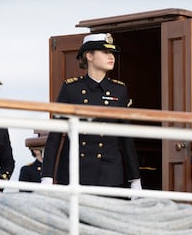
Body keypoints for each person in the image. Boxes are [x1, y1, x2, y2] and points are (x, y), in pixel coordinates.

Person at [41, 33, 142, 194]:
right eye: (105, 52)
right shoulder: (70, 89)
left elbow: (126, 137)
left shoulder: (120, 90)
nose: (111, 57)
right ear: (89, 56)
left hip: (109, 172)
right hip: (76, 171)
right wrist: (46, 176)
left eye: (112, 53)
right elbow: (55, 134)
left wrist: (135, 179)